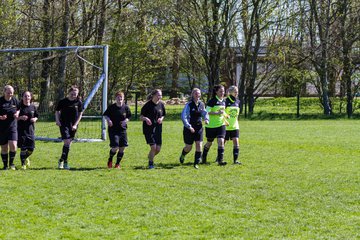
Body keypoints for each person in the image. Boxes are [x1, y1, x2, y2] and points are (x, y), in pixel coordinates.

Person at [179, 88, 209, 169]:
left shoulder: (201, 104)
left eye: (199, 93)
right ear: (192, 94)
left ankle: (196, 163)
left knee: (199, 145)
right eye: (195, 93)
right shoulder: (188, 105)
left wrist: (206, 119)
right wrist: (189, 126)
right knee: (188, 147)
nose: (197, 95)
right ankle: (183, 154)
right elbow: (183, 116)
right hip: (189, 128)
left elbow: (204, 112)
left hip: (199, 127)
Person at [55, 85, 83, 170]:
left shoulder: (79, 102)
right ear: (69, 93)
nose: (74, 95)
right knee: (67, 141)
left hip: (73, 125)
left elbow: (80, 114)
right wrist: (57, 120)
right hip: (63, 124)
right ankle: (63, 162)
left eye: (75, 94)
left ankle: (63, 161)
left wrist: (75, 124)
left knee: (68, 144)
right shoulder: (63, 101)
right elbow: (57, 111)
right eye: (72, 94)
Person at [103, 91, 131, 169]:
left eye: (121, 98)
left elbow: (129, 117)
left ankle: (117, 164)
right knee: (115, 147)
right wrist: (109, 120)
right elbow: (105, 115)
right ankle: (110, 159)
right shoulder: (112, 107)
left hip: (122, 130)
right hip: (113, 130)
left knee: (122, 148)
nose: (120, 99)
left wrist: (126, 121)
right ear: (115, 98)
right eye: (118, 98)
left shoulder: (126, 108)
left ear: (123, 99)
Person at [202, 84, 227, 166]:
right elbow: (207, 112)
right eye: (220, 91)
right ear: (216, 92)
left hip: (221, 124)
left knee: (221, 141)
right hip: (211, 126)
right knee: (209, 143)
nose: (222, 93)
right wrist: (217, 113)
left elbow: (222, 111)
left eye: (223, 91)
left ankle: (220, 161)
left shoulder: (223, 101)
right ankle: (203, 157)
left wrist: (226, 116)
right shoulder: (212, 101)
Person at [140, 89, 166, 169]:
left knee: (158, 149)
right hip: (149, 129)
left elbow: (163, 115)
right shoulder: (147, 105)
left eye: (161, 95)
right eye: (158, 95)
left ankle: (150, 156)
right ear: (153, 95)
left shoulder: (161, 104)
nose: (160, 97)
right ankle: (151, 163)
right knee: (153, 147)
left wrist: (161, 119)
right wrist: (146, 119)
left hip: (158, 129)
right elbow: (141, 117)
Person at [0, 85, 20, 170]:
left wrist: (17, 114)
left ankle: (11, 164)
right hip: (1, 128)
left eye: (11, 93)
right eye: (8, 93)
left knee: (13, 145)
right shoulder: (0, 101)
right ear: (4, 92)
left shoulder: (15, 100)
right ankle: (5, 166)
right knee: (4, 148)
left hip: (12, 126)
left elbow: (19, 109)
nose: (10, 94)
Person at [17, 91, 39, 170]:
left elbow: (36, 116)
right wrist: (20, 118)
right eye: (25, 96)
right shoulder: (19, 107)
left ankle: (25, 158)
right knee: (23, 148)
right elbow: (15, 117)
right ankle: (23, 164)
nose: (27, 98)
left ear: (30, 97)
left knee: (31, 149)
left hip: (30, 130)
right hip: (21, 131)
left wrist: (35, 119)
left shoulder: (33, 107)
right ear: (22, 97)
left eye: (28, 96)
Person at [225, 86, 241, 164]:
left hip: (235, 126)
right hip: (226, 126)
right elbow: (222, 113)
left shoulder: (238, 101)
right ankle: (219, 157)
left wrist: (236, 122)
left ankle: (235, 160)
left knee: (236, 142)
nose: (236, 93)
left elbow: (237, 115)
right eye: (235, 91)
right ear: (230, 92)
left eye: (237, 91)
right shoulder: (226, 101)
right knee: (223, 143)